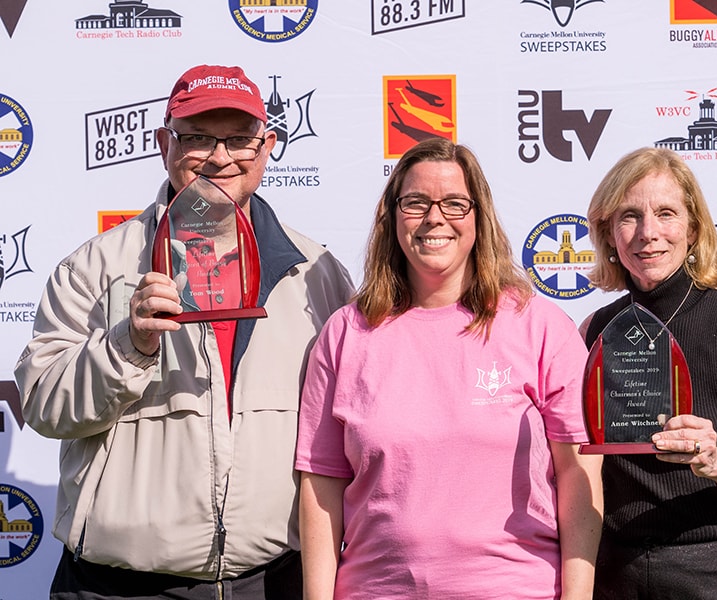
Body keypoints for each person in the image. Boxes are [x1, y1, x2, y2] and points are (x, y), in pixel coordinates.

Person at [14, 64, 354, 599]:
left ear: (266, 147)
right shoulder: (93, 268)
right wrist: (129, 343)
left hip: (271, 582)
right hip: (120, 586)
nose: (220, 157)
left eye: (239, 139)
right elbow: (44, 406)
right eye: (196, 137)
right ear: (162, 143)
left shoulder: (317, 273)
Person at [295, 137, 603, 599]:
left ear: (479, 217)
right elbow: (321, 486)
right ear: (393, 216)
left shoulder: (540, 329)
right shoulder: (345, 334)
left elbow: (580, 479)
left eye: (455, 204)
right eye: (416, 202)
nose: (434, 218)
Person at [580, 147, 717, 599]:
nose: (648, 233)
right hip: (615, 571)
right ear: (608, 232)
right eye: (629, 216)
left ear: (694, 229)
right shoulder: (594, 330)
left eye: (666, 213)